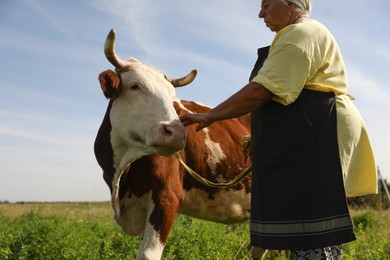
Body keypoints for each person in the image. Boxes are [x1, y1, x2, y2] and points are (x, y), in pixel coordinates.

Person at [179, 0, 377, 259]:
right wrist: (263, 136)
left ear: (289, 3)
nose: (260, 13)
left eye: (267, 4)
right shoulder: (298, 35)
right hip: (310, 129)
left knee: (312, 217)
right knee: (303, 213)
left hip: (319, 132)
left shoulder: (300, 35)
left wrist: (210, 115)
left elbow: (262, 90)